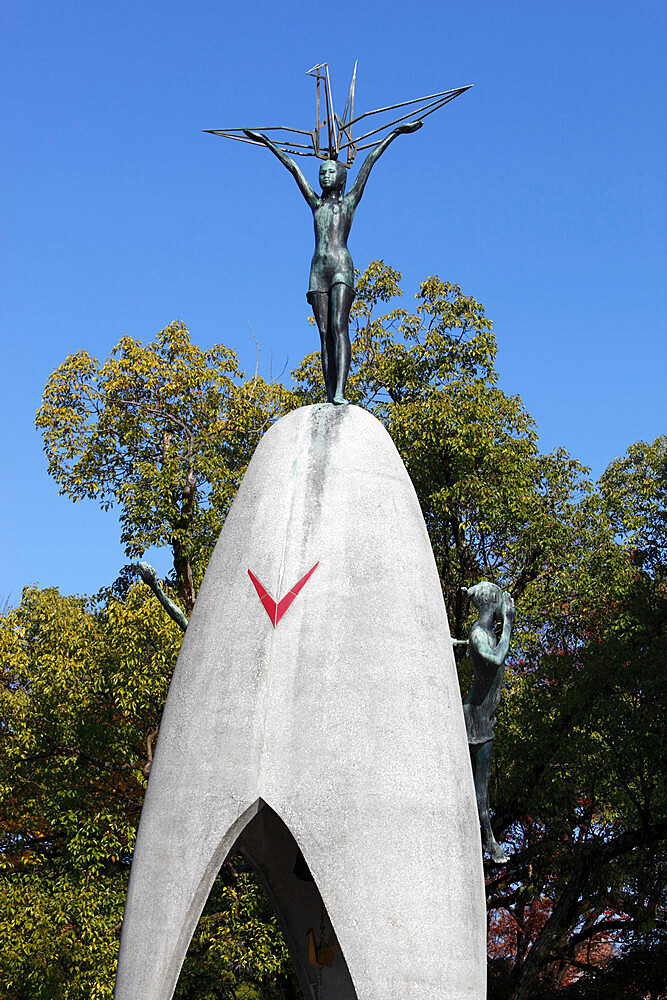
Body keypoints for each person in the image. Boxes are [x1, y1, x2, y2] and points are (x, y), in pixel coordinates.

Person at [243, 122, 422, 404]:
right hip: (317, 271)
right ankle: (329, 393)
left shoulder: (349, 203)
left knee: (339, 325)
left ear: (341, 177)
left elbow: (370, 160)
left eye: (331, 172)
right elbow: (293, 168)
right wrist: (266, 141)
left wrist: (396, 132)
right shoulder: (316, 205)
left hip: (340, 267)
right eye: (322, 172)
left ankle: (340, 391)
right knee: (323, 333)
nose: (325, 176)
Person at [462, 581, 515, 864]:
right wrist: (508, 624)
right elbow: (493, 660)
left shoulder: (484, 634)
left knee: (481, 783)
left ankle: (487, 838)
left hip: (483, 718)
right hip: (476, 721)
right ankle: (490, 841)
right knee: (480, 786)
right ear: (491, 604)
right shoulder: (480, 634)